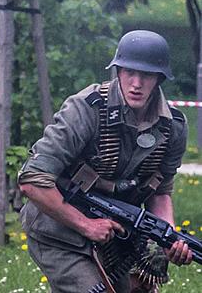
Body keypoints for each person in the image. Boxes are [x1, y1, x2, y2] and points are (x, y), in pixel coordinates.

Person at [19, 29, 193, 292]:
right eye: (128, 72)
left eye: (146, 75)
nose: (136, 83)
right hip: (59, 230)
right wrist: (86, 225)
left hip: (114, 236)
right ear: (117, 71)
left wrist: (168, 237)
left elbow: (160, 191)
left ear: (159, 78)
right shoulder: (86, 109)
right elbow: (32, 181)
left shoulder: (173, 127)